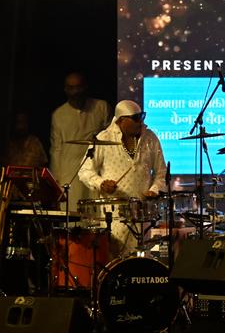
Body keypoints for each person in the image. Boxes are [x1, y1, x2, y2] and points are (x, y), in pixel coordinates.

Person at [77, 100, 167, 256]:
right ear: (121, 120)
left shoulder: (150, 138)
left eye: (142, 116)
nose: (141, 122)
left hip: (142, 212)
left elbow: (161, 173)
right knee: (115, 259)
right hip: (114, 214)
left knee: (142, 258)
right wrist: (101, 183)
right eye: (136, 118)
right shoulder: (103, 138)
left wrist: (154, 190)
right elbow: (84, 170)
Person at [49, 72, 111, 210]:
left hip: (95, 169)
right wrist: (56, 180)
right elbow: (56, 149)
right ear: (65, 90)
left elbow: (110, 139)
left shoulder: (101, 107)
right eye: (71, 88)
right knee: (72, 214)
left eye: (78, 87)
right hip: (69, 172)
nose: (75, 92)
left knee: (95, 214)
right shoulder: (58, 115)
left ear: (85, 87)